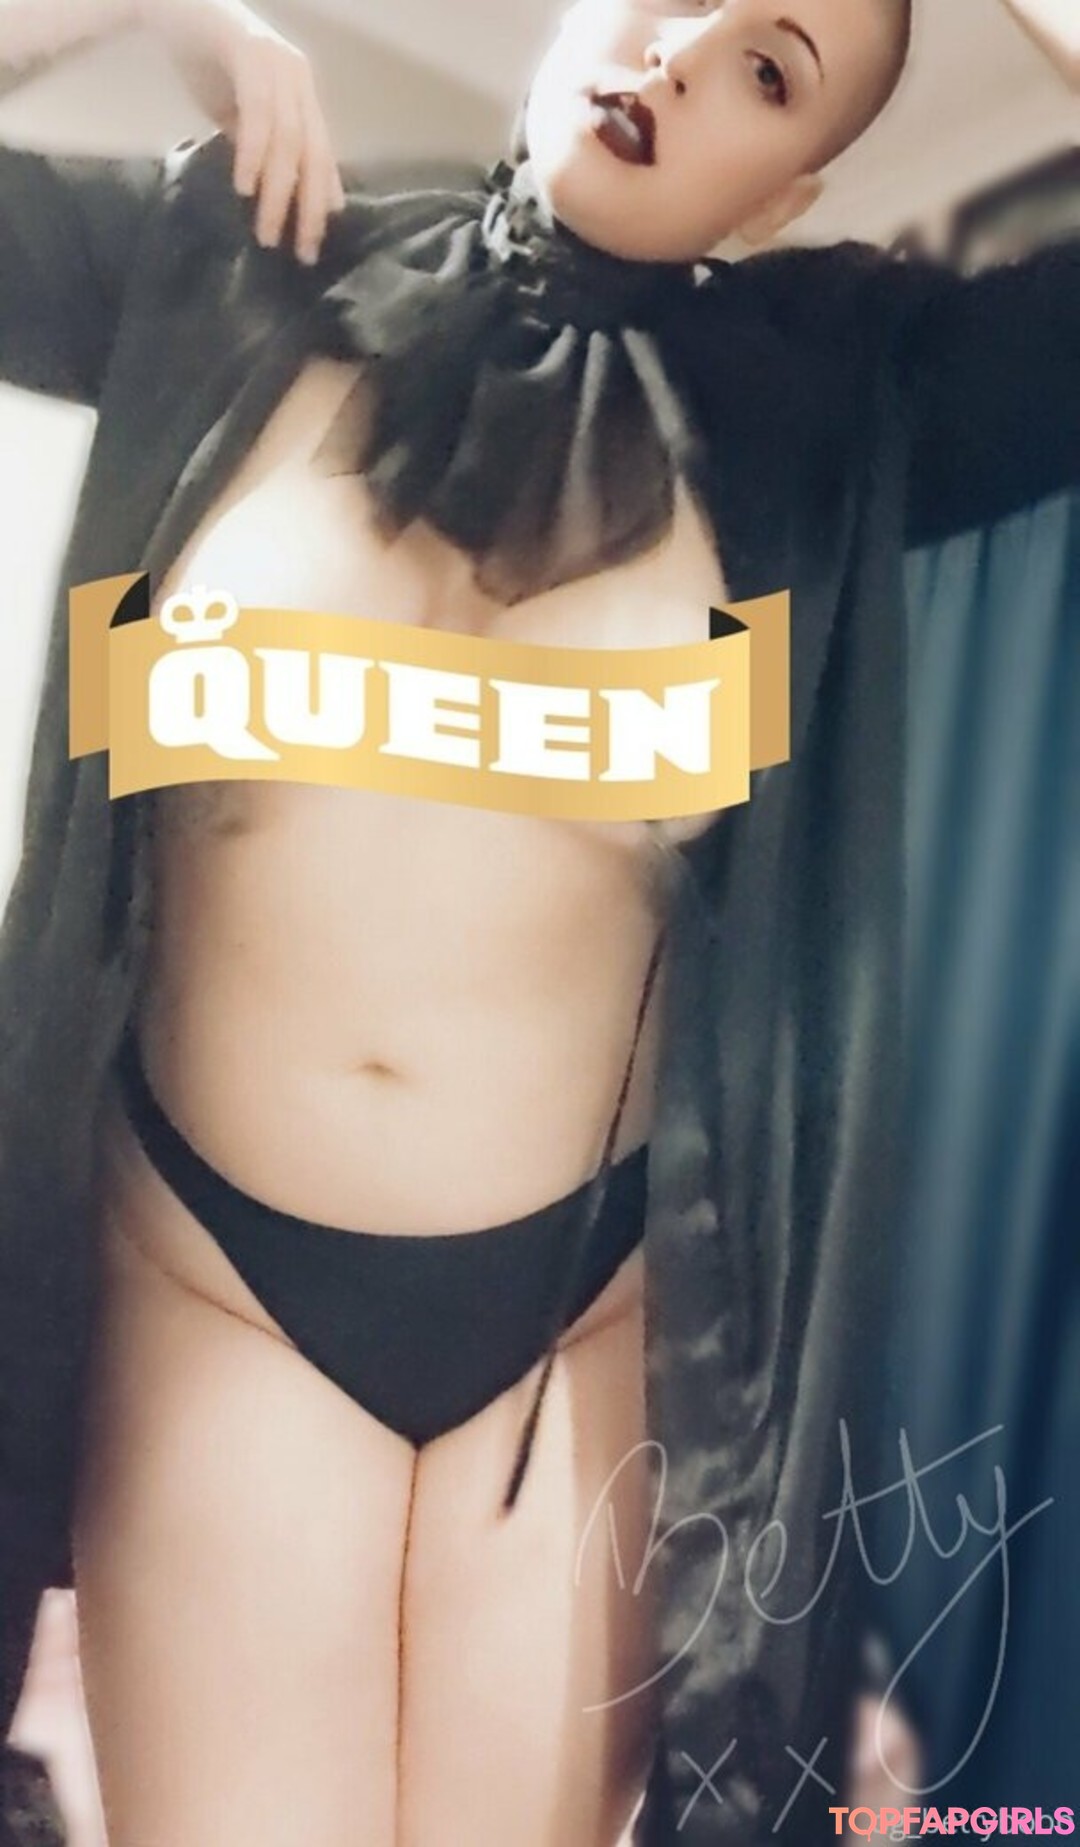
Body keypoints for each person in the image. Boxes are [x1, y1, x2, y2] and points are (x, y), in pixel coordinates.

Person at [0, 1, 1076, 1843]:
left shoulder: (827, 409)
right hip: (215, 1295)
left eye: (770, 71)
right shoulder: (227, 267)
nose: (684, 57)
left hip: (581, 1349)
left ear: (788, 190)